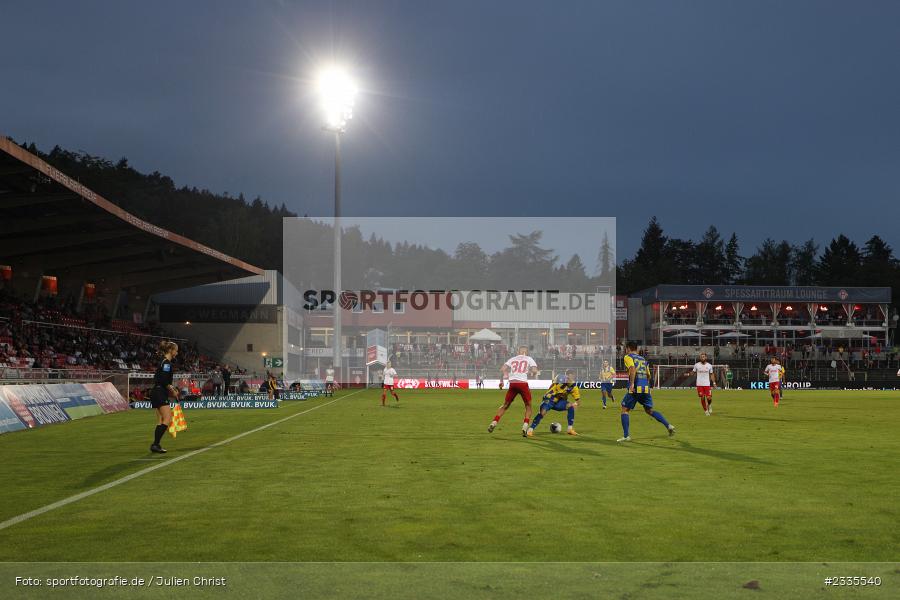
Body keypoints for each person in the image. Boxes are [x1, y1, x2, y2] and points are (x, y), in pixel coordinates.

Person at [618, 341, 675, 442]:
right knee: (649, 410)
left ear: (628, 348)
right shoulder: (643, 359)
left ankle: (626, 436)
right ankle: (668, 425)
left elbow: (632, 369)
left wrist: (631, 384)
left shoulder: (628, 357)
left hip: (636, 387)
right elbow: (648, 375)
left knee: (625, 409)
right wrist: (648, 387)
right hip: (645, 388)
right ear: (637, 349)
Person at [488, 345, 538, 436]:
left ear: (518, 352)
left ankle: (494, 422)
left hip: (513, 383)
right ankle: (525, 426)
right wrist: (531, 372)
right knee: (528, 406)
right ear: (526, 352)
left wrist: (501, 381)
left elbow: (502, 369)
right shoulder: (529, 359)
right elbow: (535, 370)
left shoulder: (512, 359)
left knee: (505, 405)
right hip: (523, 384)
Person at [527, 370, 580, 437]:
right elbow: (556, 387)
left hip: (559, 402)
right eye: (568, 376)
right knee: (542, 412)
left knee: (570, 406)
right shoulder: (559, 378)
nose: (569, 377)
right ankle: (530, 430)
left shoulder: (574, 387)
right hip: (549, 399)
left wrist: (576, 404)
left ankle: (570, 429)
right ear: (566, 375)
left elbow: (578, 400)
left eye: (572, 375)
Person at [149, 341, 179, 453]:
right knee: (167, 418)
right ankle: (155, 444)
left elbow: (163, 379)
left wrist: (172, 389)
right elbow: (163, 379)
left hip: (157, 392)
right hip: (159, 392)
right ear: (171, 350)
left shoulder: (163, 362)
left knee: (161, 420)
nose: (177, 352)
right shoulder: (166, 363)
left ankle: (156, 444)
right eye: (176, 350)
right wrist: (172, 390)